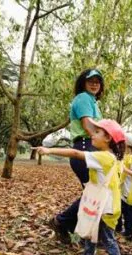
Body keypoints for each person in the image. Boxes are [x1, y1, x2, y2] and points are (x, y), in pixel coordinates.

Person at [37, 119, 127, 255]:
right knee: (91, 231)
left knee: (108, 239)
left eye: (97, 132)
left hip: (105, 207)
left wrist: (49, 151)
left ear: (108, 138)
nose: (92, 134)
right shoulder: (114, 157)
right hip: (102, 202)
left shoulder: (103, 157)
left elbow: (75, 154)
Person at [49, 69, 104, 244]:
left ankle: (74, 228)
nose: (95, 84)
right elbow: (88, 126)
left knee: (95, 193)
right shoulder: (82, 98)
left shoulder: (92, 101)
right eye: (91, 81)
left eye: (98, 81)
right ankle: (64, 222)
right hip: (84, 147)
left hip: (90, 148)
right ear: (83, 83)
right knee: (95, 193)